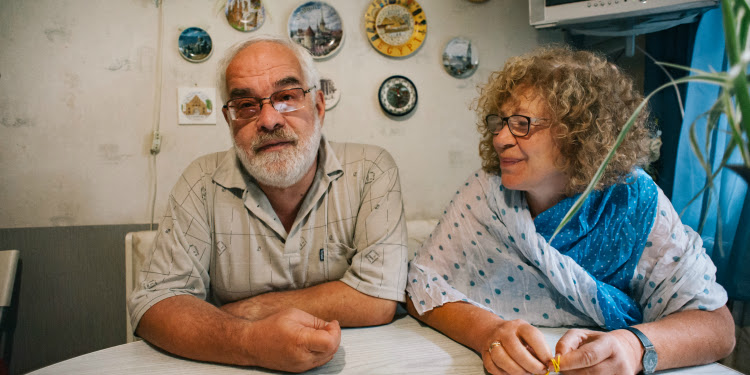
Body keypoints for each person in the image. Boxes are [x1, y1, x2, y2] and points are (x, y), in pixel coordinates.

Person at [406, 46, 735, 375]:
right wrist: (487, 333)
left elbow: (718, 328)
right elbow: (421, 285)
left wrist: (633, 346)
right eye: (500, 122)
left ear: (579, 133)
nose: (500, 139)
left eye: (522, 124)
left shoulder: (635, 200)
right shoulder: (486, 193)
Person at [128, 35, 408, 373]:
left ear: (318, 106)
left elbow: (378, 300)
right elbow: (155, 305)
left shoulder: (371, 170)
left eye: (287, 97)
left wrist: (246, 311)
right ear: (230, 120)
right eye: (246, 105)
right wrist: (251, 343)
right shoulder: (200, 181)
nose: (269, 120)